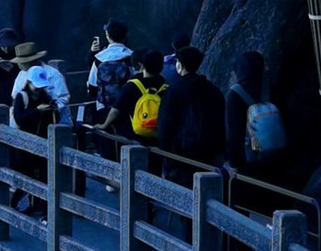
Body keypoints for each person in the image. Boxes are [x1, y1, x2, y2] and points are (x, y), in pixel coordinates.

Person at [224, 51, 270, 251]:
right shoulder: (270, 89)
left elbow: (233, 134)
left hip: (246, 160)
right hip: (273, 158)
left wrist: (233, 163)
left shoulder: (236, 94)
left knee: (241, 210)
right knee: (271, 207)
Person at [95, 49, 167, 185]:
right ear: (161, 67)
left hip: (135, 135)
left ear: (142, 66)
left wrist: (104, 125)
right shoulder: (165, 86)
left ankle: (133, 194)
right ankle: (151, 195)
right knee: (154, 170)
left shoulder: (133, 85)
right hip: (157, 135)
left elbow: (116, 109)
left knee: (134, 172)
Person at [7, 42, 58, 216]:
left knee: (44, 176)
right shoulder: (21, 97)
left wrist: (52, 110)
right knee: (26, 176)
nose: (38, 89)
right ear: (29, 83)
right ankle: (13, 203)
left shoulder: (45, 96)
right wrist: (37, 110)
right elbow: (19, 119)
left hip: (42, 141)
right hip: (25, 143)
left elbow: (53, 119)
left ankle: (42, 209)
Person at [157, 45, 225, 172]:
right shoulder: (213, 90)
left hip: (178, 154)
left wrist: (164, 149)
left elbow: (165, 122)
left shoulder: (173, 90)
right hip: (207, 154)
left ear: (180, 65)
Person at [86, 19, 134, 160]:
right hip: (127, 109)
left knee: (107, 145)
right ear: (125, 36)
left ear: (107, 36)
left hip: (104, 107)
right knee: (126, 144)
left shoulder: (99, 59)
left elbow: (92, 85)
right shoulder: (131, 57)